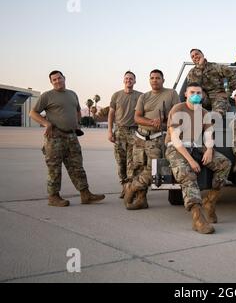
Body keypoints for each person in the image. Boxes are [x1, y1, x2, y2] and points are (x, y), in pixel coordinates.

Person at [29, 70, 105, 207]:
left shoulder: (72, 94)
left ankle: (85, 194)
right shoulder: (47, 96)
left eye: (59, 78)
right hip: (54, 137)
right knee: (54, 168)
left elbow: (77, 110)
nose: (57, 81)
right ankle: (53, 197)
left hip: (71, 136)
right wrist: (46, 123)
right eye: (54, 80)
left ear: (64, 78)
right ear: (51, 82)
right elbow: (32, 113)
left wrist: (77, 124)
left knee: (77, 166)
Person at [165, 82, 231, 234]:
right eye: (192, 92)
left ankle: (210, 201)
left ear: (202, 96)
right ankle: (197, 217)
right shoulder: (178, 109)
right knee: (188, 174)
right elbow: (175, 139)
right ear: (186, 94)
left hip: (196, 145)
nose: (196, 95)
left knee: (224, 163)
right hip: (177, 148)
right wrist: (190, 160)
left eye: (199, 93)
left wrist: (208, 149)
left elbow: (208, 134)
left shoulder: (204, 113)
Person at [123, 69, 180, 210]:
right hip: (140, 137)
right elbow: (137, 117)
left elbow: (178, 114)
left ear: (163, 80)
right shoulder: (144, 97)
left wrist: (162, 120)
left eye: (158, 78)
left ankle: (132, 187)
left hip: (157, 138)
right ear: (149, 80)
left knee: (152, 169)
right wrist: (151, 122)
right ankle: (141, 200)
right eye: (152, 78)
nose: (155, 80)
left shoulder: (171, 94)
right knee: (138, 167)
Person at [108, 71, 143, 199]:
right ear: (124, 80)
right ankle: (124, 186)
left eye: (131, 79)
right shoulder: (116, 95)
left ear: (134, 81)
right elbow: (111, 114)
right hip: (119, 132)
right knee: (120, 162)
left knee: (132, 163)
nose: (129, 80)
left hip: (134, 132)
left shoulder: (140, 96)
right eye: (127, 78)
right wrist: (109, 131)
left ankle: (130, 189)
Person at [187, 49, 236, 116]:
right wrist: (200, 67)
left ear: (202, 55)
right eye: (192, 56)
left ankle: (211, 123)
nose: (195, 57)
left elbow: (235, 77)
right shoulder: (191, 73)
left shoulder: (216, 67)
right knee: (191, 106)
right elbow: (192, 87)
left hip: (218, 96)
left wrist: (227, 92)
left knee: (217, 114)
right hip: (202, 97)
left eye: (197, 54)